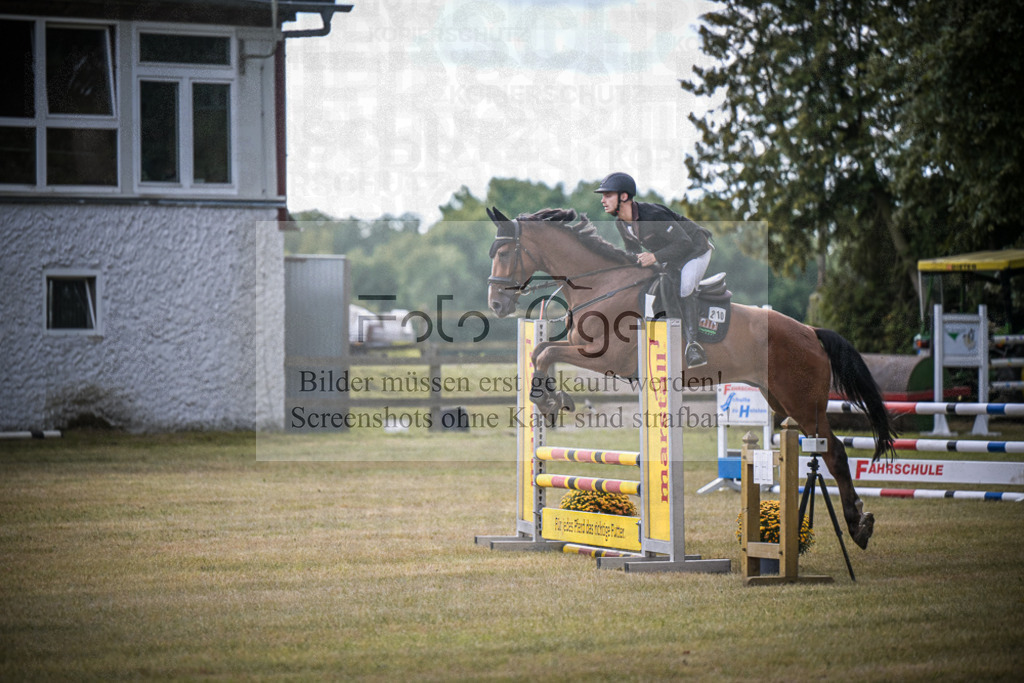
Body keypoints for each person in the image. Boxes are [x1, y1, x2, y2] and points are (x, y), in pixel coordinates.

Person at [594, 172, 713, 368]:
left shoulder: (653, 215)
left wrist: (655, 257)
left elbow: (684, 242)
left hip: (696, 250)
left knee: (685, 287)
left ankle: (693, 346)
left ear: (624, 196)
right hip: (672, 257)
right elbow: (633, 251)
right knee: (657, 286)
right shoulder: (621, 224)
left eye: (608, 195)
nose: (602, 200)